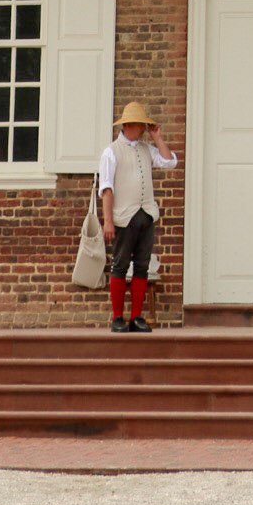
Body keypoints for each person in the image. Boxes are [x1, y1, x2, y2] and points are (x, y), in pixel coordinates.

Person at [98, 100, 178, 333]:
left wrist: (158, 138)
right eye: (142, 125)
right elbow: (106, 187)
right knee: (120, 264)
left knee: (142, 265)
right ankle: (117, 317)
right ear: (130, 124)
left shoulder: (146, 149)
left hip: (146, 214)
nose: (144, 128)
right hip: (124, 216)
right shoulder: (111, 152)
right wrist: (108, 221)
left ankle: (136, 317)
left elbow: (170, 161)